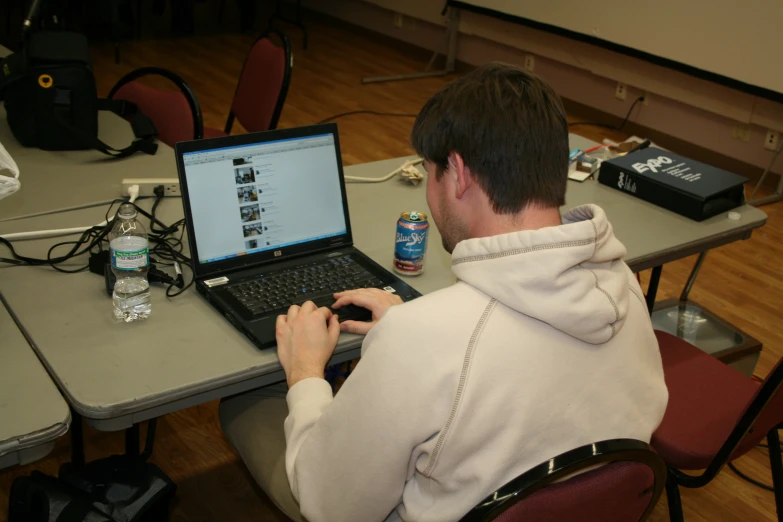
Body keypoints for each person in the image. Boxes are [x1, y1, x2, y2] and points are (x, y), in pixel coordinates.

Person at [219, 62, 668, 522]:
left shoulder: (421, 340)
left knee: (243, 407)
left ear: (458, 172)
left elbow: (330, 507)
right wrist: (413, 325)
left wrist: (306, 374)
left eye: (431, 173)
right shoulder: (624, 286)